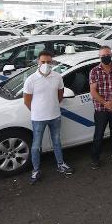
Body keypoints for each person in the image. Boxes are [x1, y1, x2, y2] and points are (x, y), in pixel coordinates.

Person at [23, 50, 74, 184]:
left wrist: (52, 106)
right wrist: (38, 111)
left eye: (48, 62)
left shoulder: (57, 77)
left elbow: (60, 94)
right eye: (43, 62)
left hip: (55, 116)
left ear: (52, 63)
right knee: (36, 145)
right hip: (38, 118)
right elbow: (27, 101)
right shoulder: (31, 80)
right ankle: (36, 170)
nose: (45, 64)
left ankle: (61, 164)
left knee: (56, 141)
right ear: (38, 62)